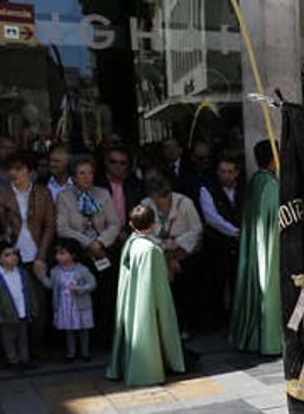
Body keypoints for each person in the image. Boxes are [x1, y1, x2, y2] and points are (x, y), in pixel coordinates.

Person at [107, 204, 185, 386]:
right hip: (147, 302)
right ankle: (149, 369)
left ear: (131, 225)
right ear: (153, 224)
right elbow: (159, 288)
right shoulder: (151, 250)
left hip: (131, 299)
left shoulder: (131, 243)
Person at [0, 151, 55, 347]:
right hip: (11, 255)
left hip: (36, 253)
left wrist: (42, 256)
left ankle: (37, 347)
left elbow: (50, 225)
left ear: (30, 171)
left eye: (19, 169)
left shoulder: (43, 192)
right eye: (11, 169)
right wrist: (3, 254)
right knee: (13, 304)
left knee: (39, 304)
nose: (14, 173)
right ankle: (17, 352)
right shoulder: (0, 193)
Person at [56, 156, 120, 342]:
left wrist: (100, 243)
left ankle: (108, 336)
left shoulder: (102, 194)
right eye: (82, 173)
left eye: (90, 172)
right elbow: (63, 228)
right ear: (73, 176)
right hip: (80, 254)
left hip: (103, 251)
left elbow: (114, 223)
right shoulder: (64, 197)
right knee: (82, 298)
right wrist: (88, 243)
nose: (87, 177)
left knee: (106, 294)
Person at [230, 140, 281, 356]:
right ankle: (271, 339)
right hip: (267, 247)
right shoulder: (270, 185)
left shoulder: (255, 182)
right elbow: (276, 222)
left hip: (254, 247)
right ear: (274, 158)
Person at [142, 175, 203, 336]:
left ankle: (185, 327)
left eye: (162, 199)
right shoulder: (145, 205)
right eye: (155, 199)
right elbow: (143, 231)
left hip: (184, 253)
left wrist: (177, 245)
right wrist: (163, 247)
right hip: (159, 254)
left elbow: (196, 229)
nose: (159, 203)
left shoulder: (185, 202)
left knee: (184, 292)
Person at [198, 154, 243, 332]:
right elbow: (211, 218)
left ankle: (238, 324)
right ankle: (216, 325)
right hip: (217, 245)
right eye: (222, 171)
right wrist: (235, 232)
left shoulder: (244, 189)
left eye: (230, 172)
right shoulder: (207, 189)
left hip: (239, 245)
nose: (226, 175)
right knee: (216, 285)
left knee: (237, 284)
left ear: (237, 173)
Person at [0, 240, 41, 371]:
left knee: (23, 337)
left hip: (22, 312)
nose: (13, 257)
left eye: (14, 253)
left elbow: (30, 291)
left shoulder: (22, 273)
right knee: (9, 339)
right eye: (7, 255)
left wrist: (33, 307)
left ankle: (24, 359)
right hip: (6, 316)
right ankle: (13, 360)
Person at [44, 239, 96, 361]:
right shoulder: (55, 271)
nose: (58, 256)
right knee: (69, 330)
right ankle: (70, 353)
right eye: (57, 253)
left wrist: (80, 289)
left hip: (80, 305)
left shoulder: (82, 270)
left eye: (62, 253)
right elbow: (51, 285)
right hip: (64, 305)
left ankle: (85, 352)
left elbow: (92, 283)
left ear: (73, 255)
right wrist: (41, 276)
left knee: (83, 329)